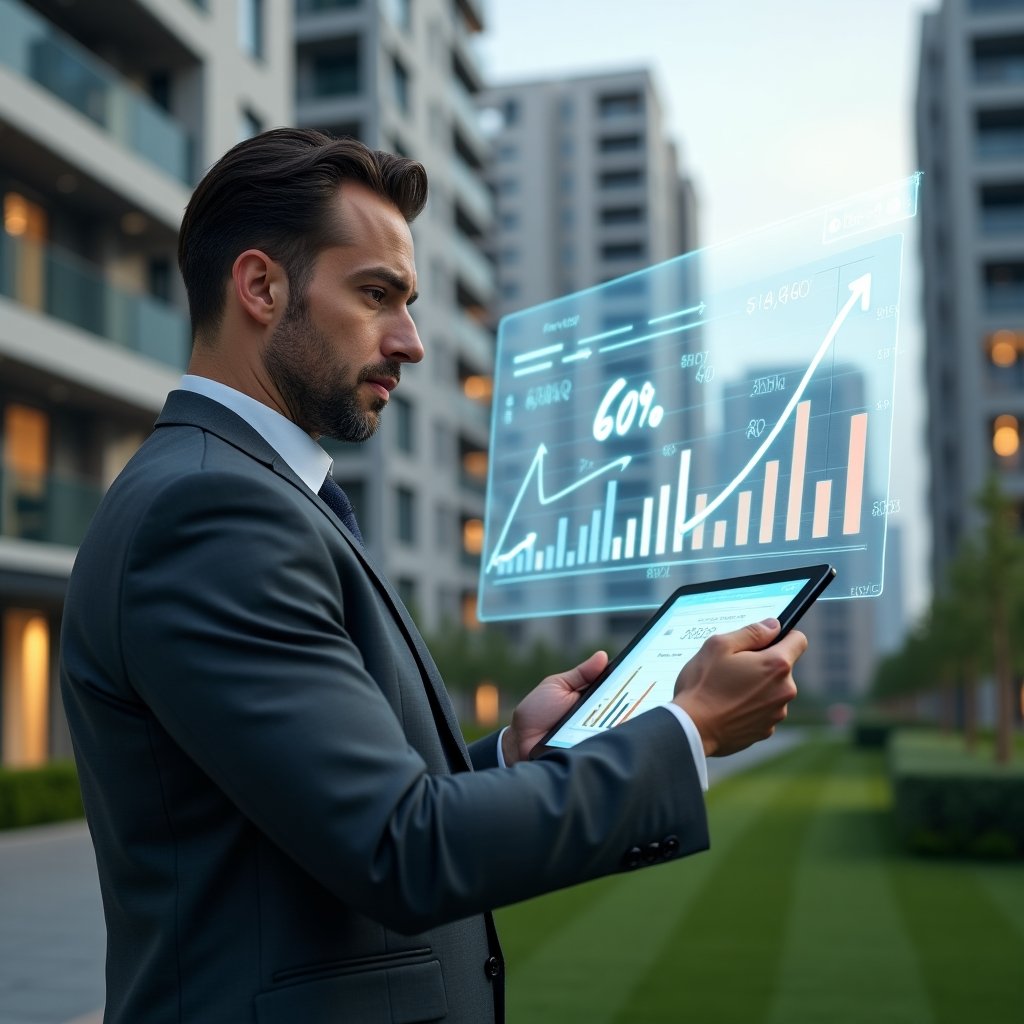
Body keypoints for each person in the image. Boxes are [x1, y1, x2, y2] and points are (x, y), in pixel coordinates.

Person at [59, 128, 806, 1024]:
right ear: (259, 286)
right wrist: (687, 731)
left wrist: (508, 758)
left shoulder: (246, 494)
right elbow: (401, 852)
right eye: (376, 295)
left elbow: (325, 810)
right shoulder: (214, 514)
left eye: (407, 302)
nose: (411, 343)